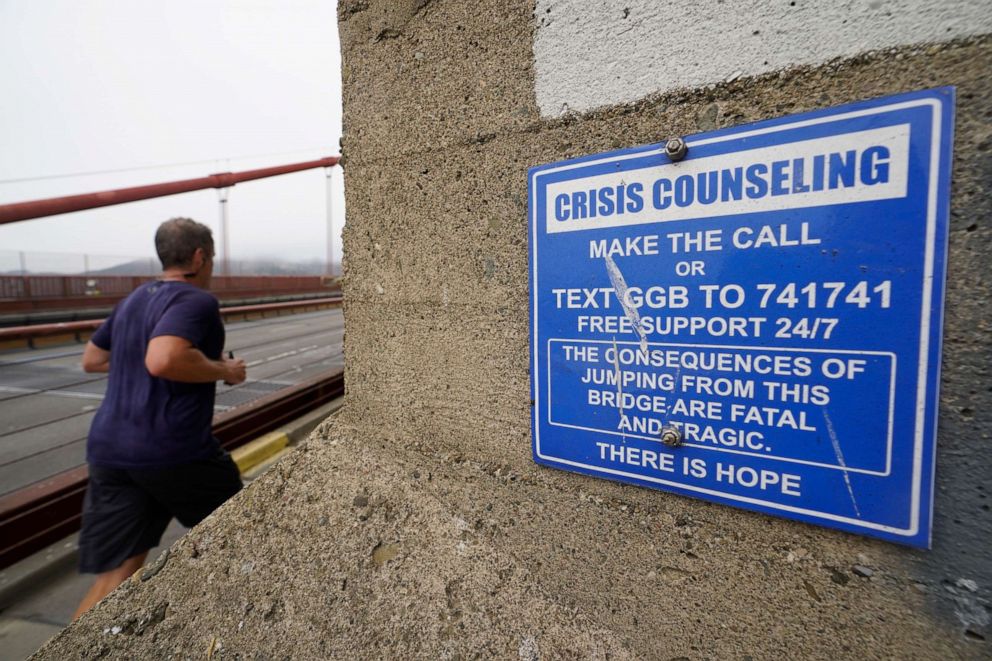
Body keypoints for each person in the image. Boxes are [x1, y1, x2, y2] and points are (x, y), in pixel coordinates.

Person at [73, 217, 247, 619]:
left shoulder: (133, 300)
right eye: (213, 258)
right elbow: (163, 358)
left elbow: (92, 359)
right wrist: (225, 370)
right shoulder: (196, 301)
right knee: (243, 533)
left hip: (110, 453)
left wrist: (148, 360)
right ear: (201, 257)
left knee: (115, 576)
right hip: (174, 451)